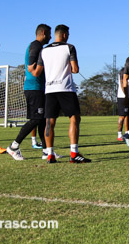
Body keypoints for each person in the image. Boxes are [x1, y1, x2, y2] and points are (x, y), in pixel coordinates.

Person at [36, 24, 90, 163]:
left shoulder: (44, 50)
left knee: (49, 122)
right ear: (65, 35)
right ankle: (74, 153)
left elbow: (38, 71)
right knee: (74, 118)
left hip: (49, 90)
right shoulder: (69, 47)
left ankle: (50, 154)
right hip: (65, 89)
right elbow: (75, 69)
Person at [5, 24, 51, 161]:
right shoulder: (36, 45)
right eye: (49, 34)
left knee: (42, 120)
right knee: (36, 119)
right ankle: (13, 147)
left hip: (39, 88)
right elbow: (31, 67)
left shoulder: (38, 46)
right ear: (43, 33)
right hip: (33, 88)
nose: (50, 37)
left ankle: (46, 151)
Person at [116, 65, 129, 142]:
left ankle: (127, 133)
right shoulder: (123, 71)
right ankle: (119, 134)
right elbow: (122, 83)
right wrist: (125, 95)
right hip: (122, 96)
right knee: (122, 116)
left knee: (128, 116)